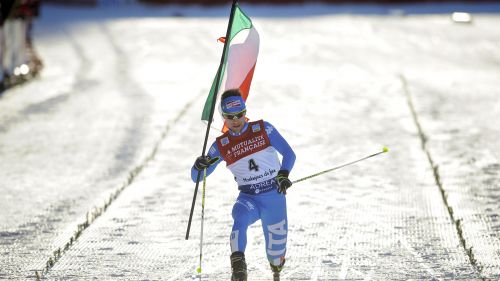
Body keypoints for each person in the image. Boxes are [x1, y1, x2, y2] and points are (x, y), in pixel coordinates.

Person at [191, 88, 296, 281]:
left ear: (245, 112)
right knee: (239, 217)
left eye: (240, 114)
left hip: (273, 197)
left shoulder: (264, 129)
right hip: (248, 198)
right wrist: (199, 165)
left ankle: (275, 269)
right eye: (230, 116)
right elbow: (197, 177)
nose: (236, 120)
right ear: (224, 117)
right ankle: (238, 268)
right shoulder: (222, 144)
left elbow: (289, 154)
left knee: (276, 255)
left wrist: (283, 174)